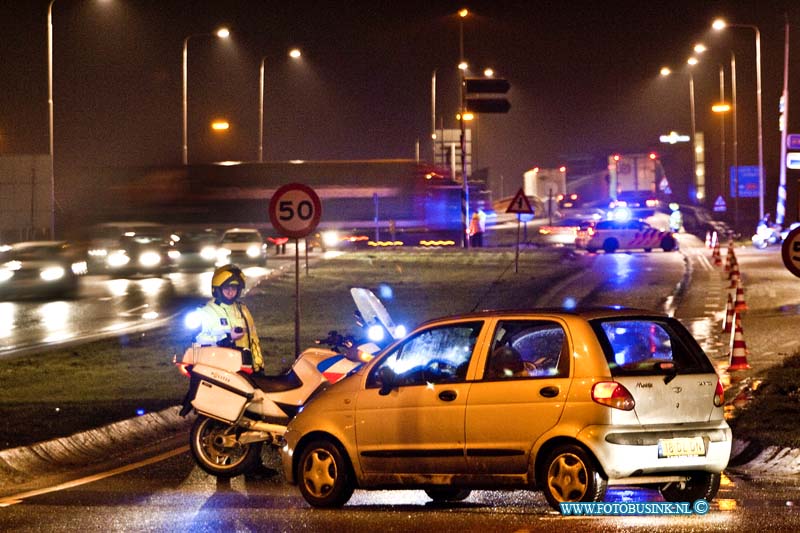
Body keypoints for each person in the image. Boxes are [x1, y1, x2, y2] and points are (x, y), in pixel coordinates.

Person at [195, 264, 264, 372]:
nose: (230, 292)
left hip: (246, 368)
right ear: (217, 288)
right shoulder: (206, 311)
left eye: (234, 288)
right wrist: (227, 338)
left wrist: (258, 367)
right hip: (219, 370)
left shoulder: (243, 309)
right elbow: (198, 340)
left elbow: (253, 340)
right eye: (226, 288)